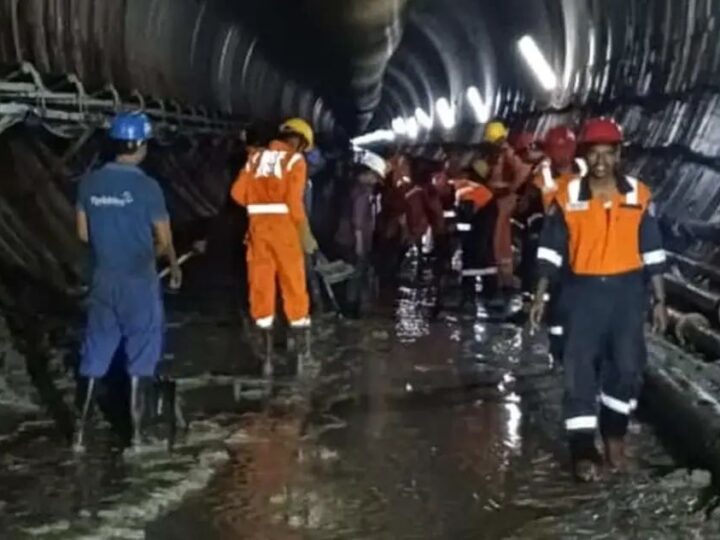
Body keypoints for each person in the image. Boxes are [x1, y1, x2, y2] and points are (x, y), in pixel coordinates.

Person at [529, 117, 667, 481]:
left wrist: (660, 300)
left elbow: (652, 250)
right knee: (579, 372)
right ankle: (582, 451)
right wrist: (541, 295)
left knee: (625, 368)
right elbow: (551, 250)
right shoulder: (567, 196)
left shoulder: (638, 194)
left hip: (626, 296)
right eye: (595, 154)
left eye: (609, 153)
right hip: (581, 294)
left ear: (619, 155)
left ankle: (614, 437)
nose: (602, 161)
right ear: (584, 156)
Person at [74, 111, 182, 451]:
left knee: (94, 354)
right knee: (141, 355)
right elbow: (164, 240)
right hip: (139, 281)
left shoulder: (89, 183)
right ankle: (136, 438)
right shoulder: (147, 187)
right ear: (139, 145)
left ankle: (78, 435)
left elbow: (82, 233)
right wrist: (174, 266)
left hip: (104, 279)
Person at [230, 118, 318, 378]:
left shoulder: (255, 159)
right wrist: (306, 234)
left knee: (261, 287)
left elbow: (237, 194)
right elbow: (294, 202)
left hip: (258, 231)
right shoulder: (296, 161)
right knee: (293, 286)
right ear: (300, 143)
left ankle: (266, 360)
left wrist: (259, 203)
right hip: (284, 231)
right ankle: (302, 356)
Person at [532, 125, 583, 364]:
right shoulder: (545, 175)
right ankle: (560, 354)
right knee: (561, 306)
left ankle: (564, 354)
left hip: (577, 248)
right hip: (561, 245)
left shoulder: (584, 172)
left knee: (566, 306)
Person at [335, 149, 387, 317]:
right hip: (354, 241)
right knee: (355, 276)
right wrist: (360, 246)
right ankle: (350, 311)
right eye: (375, 177)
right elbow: (358, 221)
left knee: (350, 276)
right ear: (368, 173)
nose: (375, 182)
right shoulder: (362, 194)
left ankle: (347, 309)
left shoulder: (352, 189)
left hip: (345, 239)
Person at [485, 122, 534, 297]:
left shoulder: (506, 152)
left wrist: (510, 189)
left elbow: (523, 171)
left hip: (504, 200)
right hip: (500, 199)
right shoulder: (500, 153)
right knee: (498, 238)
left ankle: (504, 277)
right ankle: (502, 275)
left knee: (501, 238)